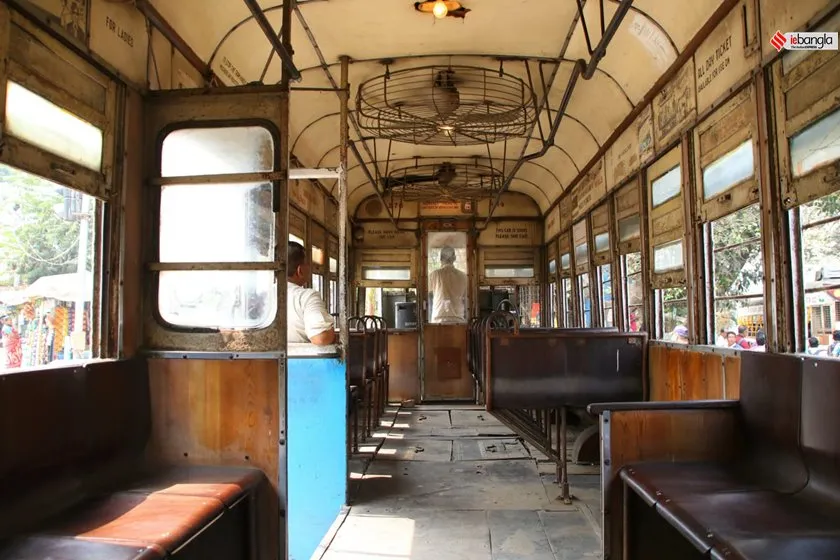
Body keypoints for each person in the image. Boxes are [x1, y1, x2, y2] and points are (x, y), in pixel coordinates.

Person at [287, 241, 335, 345]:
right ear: (300, 270)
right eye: (308, 264)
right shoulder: (306, 297)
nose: (310, 268)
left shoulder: (260, 296)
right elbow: (321, 338)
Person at [428, 245, 468, 323]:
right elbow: (467, 299)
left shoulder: (434, 275)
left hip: (438, 320)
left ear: (440, 259)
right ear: (454, 258)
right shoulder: (464, 277)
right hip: (458, 320)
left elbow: (427, 296)